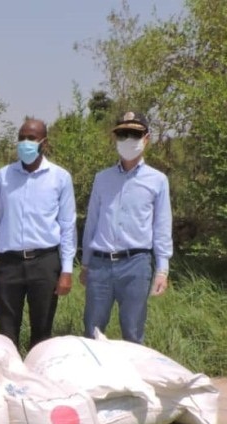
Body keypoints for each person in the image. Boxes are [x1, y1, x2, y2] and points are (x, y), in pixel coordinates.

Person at [80, 111, 173, 344]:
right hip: (100, 264)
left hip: (136, 264)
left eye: (134, 134)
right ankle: (95, 379)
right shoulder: (102, 178)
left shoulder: (157, 180)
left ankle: (132, 380)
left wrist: (162, 269)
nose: (128, 140)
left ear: (146, 138)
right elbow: (92, 221)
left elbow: (162, 226)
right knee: (92, 331)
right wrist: (86, 263)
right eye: (122, 134)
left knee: (132, 333)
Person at [0, 118, 77, 350]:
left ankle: (39, 381)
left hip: (44, 263)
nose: (25, 142)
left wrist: (66, 270)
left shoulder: (60, 177)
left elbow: (67, 225)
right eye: (22, 137)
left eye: (32, 138)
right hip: (8, 264)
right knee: (6, 333)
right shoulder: (3, 176)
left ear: (44, 142)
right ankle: (9, 381)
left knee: (42, 332)